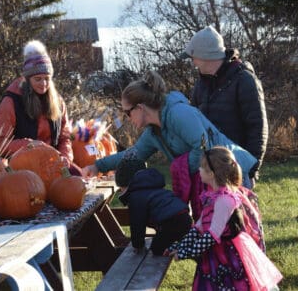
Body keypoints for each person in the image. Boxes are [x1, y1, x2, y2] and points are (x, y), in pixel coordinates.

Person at [81, 70, 258, 218]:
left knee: (234, 238)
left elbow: (203, 147)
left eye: (128, 113)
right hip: (211, 182)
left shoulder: (178, 114)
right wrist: (98, 166)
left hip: (231, 174)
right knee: (213, 242)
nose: (128, 119)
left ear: (140, 108)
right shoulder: (153, 133)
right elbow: (133, 155)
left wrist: (179, 167)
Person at [164, 146, 282, 290]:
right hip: (213, 255)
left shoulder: (225, 200)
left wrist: (186, 252)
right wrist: (180, 245)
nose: (198, 170)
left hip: (227, 257)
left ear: (212, 174)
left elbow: (212, 235)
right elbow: (199, 226)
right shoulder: (211, 196)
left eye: (202, 167)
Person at [181, 26, 268, 182]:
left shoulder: (244, 81)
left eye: (193, 57)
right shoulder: (200, 86)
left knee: (236, 207)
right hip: (210, 173)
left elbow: (257, 127)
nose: (193, 62)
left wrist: (251, 168)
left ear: (205, 56)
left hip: (238, 169)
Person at [0, 40, 79, 173]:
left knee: (78, 179)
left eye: (47, 78)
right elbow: (0, 144)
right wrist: (30, 145)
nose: (43, 84)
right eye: (38, 79)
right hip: (20, 167)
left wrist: (65, 157)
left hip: (53, 165)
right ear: (27, 79)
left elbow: (64, 138)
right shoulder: (11, 102)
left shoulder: (58, 102)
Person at [114, 150, 192, 256]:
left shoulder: (136, 197)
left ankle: (178, 250)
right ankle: (191, 253)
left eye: (121, 188)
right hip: (183, 216)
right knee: (189, 244)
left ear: (127, 185)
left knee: (157, 249)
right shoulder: (150, 187)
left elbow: (137, 223)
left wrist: (138, 245)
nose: (121, 191)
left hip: (171, 222)